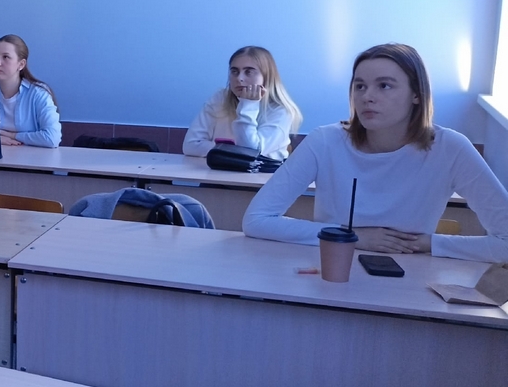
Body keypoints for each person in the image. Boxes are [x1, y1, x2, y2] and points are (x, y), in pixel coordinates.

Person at [243, 43, 508, 262]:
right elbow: (256, 220)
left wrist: (429, 243)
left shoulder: (451, 148)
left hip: (410, 281)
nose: (367, 97)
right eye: (360, 86)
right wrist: (352, 235)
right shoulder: (325, 141)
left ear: (416, 94)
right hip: (332, 273)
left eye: (384, 86)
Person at [183, 46, 302, 160]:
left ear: (267, 77)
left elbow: (250, 152)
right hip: (217, 171)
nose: (239, 78)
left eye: (248, 72)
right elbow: (191, 145)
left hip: (262, 174)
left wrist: (249, 105)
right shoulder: (220, 98)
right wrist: (233, 151)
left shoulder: (280, 111)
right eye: (234, 71)